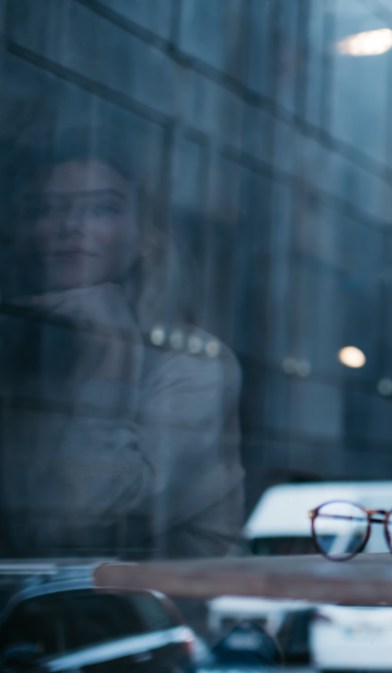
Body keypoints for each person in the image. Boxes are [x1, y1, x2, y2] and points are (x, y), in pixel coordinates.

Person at [0, 129, 244, 561]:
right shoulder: (18, 341)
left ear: (145, 235)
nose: (69, 227)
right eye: (46, 210)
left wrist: (110, 353)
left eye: (101, 208)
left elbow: (82, 515)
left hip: (148, 616)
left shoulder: (191, 362)